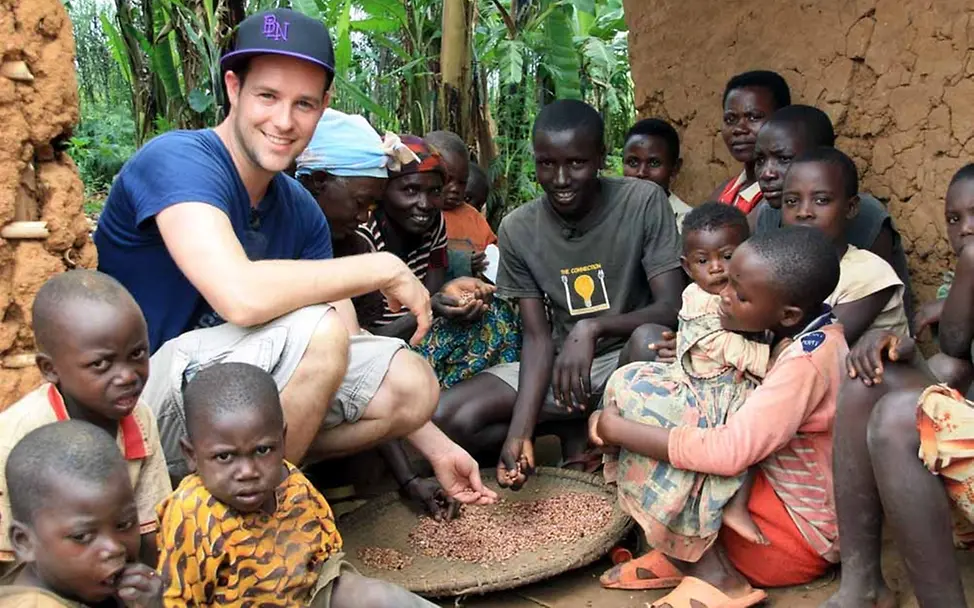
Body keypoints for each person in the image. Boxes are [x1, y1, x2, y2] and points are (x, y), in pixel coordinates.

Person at [93, 8, 490, 507]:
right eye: (267, 96)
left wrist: (435, 445)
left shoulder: (298, 207)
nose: (283, 121)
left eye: (303, 103)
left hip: (234, 411)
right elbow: (238, 295)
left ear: (322, 108)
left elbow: (350, 342)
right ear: (234, 89)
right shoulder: (180, 160)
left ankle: (231, 490)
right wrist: (381, 266)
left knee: (411, 385)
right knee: (317, 330)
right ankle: (253, 524)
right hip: (146, 406)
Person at [434, 99, 685, 486]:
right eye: (547, 164)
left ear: (601, 158)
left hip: (625, 358)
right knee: (448, 417)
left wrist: (592, 329)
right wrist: (520, 431)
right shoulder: (519, 228)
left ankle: (598, 438)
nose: (561, 179)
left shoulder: (642, 202)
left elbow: (669, 306)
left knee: (651, 339)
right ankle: (567, 432)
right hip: (562, 366)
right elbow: (535, 336)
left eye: (576, 163)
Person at [592, 227, 845, 605]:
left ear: (788, 313)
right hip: (778, 504)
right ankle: (684, 552)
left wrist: (618, 429)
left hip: (791, 540)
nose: (724, 298)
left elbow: (728, 452)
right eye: (727, 284)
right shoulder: (811, 330)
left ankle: (716, 576)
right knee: (643, 386)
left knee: (654, 432)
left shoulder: (803, 363)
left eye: (740, 296)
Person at [596, 203, 785, 585]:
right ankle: (676, 547)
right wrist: (778, 359)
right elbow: (731, 349)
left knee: (737, 435)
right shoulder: (701, 300)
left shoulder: (748, 290)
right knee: (634, 392)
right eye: (704, 260)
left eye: (728, 257)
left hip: (731, 389)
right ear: (687, 267)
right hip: (710, 386)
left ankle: (719, 524)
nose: (716, 268)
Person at [156, 362, 438, 607]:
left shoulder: (291, 483)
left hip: (305, 594)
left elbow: (324, 555)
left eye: (263, 450)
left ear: (282, 439)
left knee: (376, 598)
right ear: (192, 455)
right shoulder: (192, 513)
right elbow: (177, 599)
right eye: (224, 456)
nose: (248, 471)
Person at [822, 165, 974, 608]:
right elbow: (954, 359)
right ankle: (862, 586)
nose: (966, 230)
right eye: (953, 219)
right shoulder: (960, 280)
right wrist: (894, 347)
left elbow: (955, 339)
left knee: (897, 419)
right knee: (870, 375)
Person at [0, 270, 171, 573]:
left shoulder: (139, 417)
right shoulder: (17, 437)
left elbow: (150, 530)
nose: (128, 375)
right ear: (50, 369)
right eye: (101, 364)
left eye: (137, 354)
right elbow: (7, 561)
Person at [753, 104, 914, 324]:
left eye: (784, 159)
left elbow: (853, 318)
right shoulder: (768, 213)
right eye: (760, 160)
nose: (767, 173)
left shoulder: (866, 226)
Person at [0, 420, 162, 607]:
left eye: (124, 525)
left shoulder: (73, 586)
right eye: (82, 536)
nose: (114, 548)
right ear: (24, 541)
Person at [780, 147, 908, 344]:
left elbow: (817, 350)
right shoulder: (777, 269)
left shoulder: (869, 274)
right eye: (791, 201)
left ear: (850, 208)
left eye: (821, 200)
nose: (803, 212)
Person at [909, 163, 974, 391]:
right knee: (942, 366)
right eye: (953, 220)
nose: (965, 228)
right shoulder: (955, 283)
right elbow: (953, 347)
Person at [710, 70, 791, 216]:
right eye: (730, 119)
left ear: (781, 119)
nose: (739, 129)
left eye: (753, 117)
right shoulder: (724, 192)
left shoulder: (781, 194)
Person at [425, 130, 497, 279]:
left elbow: (492, 249)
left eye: (462, 182)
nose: (455, 189)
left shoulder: (472, 216)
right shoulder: (419, 213)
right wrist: (463, 263)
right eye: (448, 179)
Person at [622, 117, 693, 232]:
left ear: (675, 168)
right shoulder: (608, 214)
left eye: (654, 163)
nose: (641, 172)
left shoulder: (689, 225)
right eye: (633, 162)